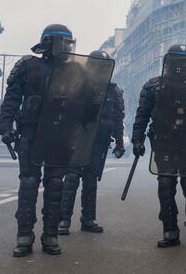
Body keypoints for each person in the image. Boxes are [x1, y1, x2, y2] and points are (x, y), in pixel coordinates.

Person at [0, 24, 76, 257]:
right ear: (50, 42)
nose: (68, 47)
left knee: (55, 185)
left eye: (69, 43)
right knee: (29, 183)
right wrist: (6, 128)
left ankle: (50, 235)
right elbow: (11, 100)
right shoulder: (27, 66)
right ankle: (24, 235)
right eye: (64, 43)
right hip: (31, 132)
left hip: (59, 135)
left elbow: (84, 106)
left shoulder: (75, 72)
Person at [131, 44, 186, 251]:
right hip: (164, 142)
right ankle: (170, 230)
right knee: (165, 185)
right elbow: (142, 115)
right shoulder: (153, 86)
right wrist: (136, 140)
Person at [58, 50, 126, 235]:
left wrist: (120, 142)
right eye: (98, 66)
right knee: (71, 177)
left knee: (90, 179)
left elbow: (118, 118)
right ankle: (63, 219)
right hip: (79, 138)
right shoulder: (78, 85)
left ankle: (88, 219)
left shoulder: (114, 91)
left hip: (100, 140)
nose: (101, 70)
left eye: (104, 66)